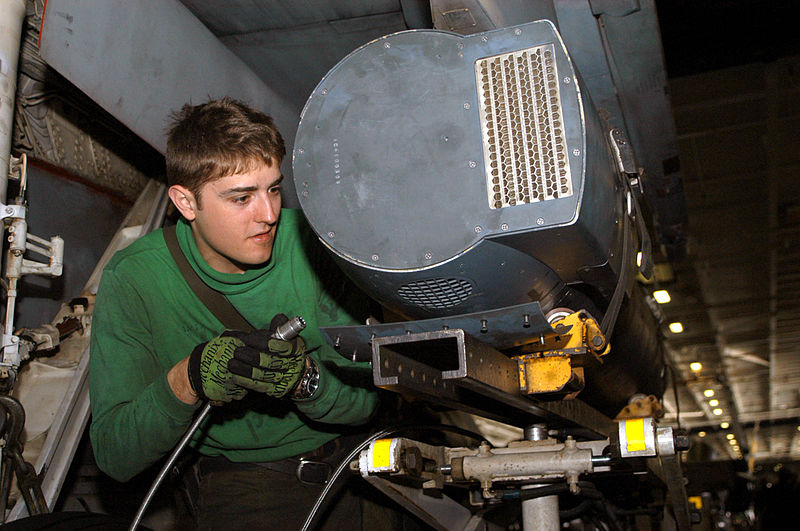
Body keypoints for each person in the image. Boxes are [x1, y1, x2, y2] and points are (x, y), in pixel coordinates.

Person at [89, 97, 380, 529]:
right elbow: (116, 454)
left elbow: (364, 405)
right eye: (242, 198)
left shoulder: (319, 245)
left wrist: (304, 380)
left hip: (355, 469)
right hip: (243, 487)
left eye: (274, 189)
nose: (269, 214)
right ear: (186, 204)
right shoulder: (135, 279)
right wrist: (190, 377)